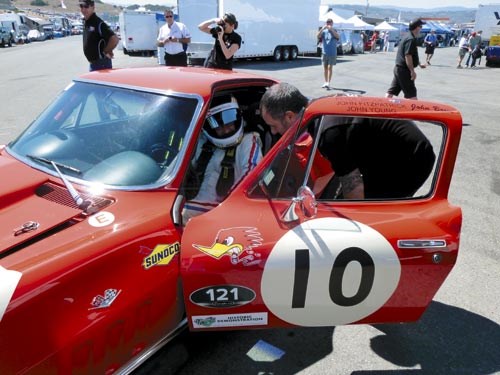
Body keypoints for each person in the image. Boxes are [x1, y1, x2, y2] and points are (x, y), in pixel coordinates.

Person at [259, 82, 435, 199]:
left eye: (273, 126)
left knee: (372, 208)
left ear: (290, 116)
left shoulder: (327, 132)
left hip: (411, 158)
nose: (274, 132)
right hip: (387, 149)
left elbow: (354, 187)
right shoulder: (317, 106)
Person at [182, 95, 262, 223]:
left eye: (229, 121)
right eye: (218, 125)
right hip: (186, 208)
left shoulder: (248, 140)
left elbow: (252, 173)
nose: (225, 128)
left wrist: (228, 206)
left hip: (220, 213)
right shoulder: (201, 141)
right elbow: (182, 168)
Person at [385, 18, 427, 100]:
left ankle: (384, 107)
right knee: (412, 94)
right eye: (421, 26)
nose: (421, 28)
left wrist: (419, 63)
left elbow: (411, 54)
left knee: (391, 92)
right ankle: (414, 111)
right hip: (404, 70)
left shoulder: (408, 36)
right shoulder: (410, 39)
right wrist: (412, 71)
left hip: (399, 69)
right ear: (417, 27)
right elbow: (408, 56)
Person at [79, 0, 119, 71]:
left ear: (93, 7)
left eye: (86, 6)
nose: (83, 9)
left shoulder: (98, 23)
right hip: (94, 64)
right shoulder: (87, 22)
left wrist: (106, 51)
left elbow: (114, 39)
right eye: (81, 6)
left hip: (101, 64)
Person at [317, 18, 339, 89]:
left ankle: (328, 83)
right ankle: (325, 82)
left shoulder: (334, 30)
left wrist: (331, 29)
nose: (328, 24)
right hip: (324, 52)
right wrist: (322, 29)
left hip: (332, 52)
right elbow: (317, 36)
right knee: (325, 68)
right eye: (327, 23)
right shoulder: (324, 31)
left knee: (330, 67)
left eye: (330, 23)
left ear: (332, 23)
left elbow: (337, 36)